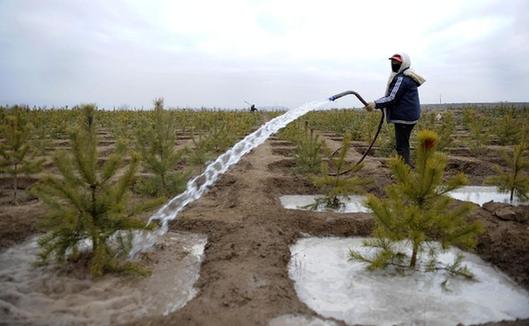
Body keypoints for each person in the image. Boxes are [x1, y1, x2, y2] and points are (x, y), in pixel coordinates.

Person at [364, 52, 425, 166]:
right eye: (393, 61)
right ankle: (407, 166)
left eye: (397, 62)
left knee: (401, 145)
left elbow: (392, 98)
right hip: (409, 116)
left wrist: (375, 104)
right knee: (404, 143)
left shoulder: (402, 78)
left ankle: (404, 170)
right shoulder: (407, 76)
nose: (394, 63)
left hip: (404, 117)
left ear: (404, 63)